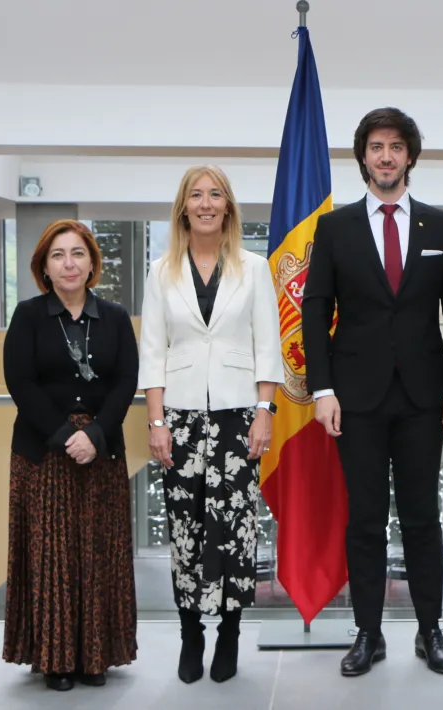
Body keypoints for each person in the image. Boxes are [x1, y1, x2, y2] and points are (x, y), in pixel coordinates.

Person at [301, 106, 443, 677]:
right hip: (357, 399)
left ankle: (430, 630)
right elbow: (316, 308)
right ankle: (368, 634)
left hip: (424, 397)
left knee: (424, 518)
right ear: (363, 159)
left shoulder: (441, 226)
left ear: (410, 157)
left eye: (396, 146)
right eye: (376, 146)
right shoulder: (335, 227)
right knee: (366, 520)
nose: (386, 156)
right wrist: (322, 387)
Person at [138, 165, 283, 685]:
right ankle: (191, 634)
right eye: (195, 195)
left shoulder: (255, 267)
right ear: (183, 207)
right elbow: (152, 353)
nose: (204, 203)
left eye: (214, 194)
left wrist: (265, 412)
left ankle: (229, 634)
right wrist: (156, 422)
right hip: (177, 416)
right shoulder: (161, 271)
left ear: (227, 206)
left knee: (236, 530)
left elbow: (269, 347)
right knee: (186, 529)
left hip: (238, 416)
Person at [1, 219, 139, 691]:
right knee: (53, 557)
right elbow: (21, 383)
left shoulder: (116, 317)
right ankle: (57, 658)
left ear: (92, 262)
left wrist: (96, 434)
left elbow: (126, 382)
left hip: (102, 452)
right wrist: (66, 435)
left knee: (99, 554)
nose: (69, 263)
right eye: (58, 255)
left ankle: (96, 656)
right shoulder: (28, 316)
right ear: (44, 265)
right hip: (44, 452)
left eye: (77, 253)